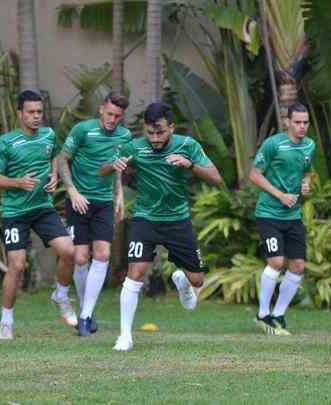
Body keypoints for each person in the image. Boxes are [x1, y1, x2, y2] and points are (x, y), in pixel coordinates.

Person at [99, 101, 222, 351]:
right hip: (146, 219)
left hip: (178, 221)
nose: (155, 138)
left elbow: (216, 177)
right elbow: (102, 170)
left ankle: (183, 281)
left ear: (172, 128)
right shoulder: (135, 146)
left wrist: (190, 165)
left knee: (198, 280)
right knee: (135, 273)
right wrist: (114, 165)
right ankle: (125, 336)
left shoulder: (188, 145)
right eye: (150, 132)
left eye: (161, 132)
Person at [0, 90, 75, 340]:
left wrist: (54, 176)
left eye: (39, 112)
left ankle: (60, 294)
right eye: (31, 112)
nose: (37, 116)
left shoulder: (48, 135)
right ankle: (6, 321)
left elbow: (54, 157)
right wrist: (17, 182)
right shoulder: (6, 142)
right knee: (17, 265)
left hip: (42, 208)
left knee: (69, 251)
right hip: (14, 213)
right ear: (20, 114)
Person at [57, 92, 132, 336]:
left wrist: (119, 193)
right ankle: (83, 309)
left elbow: (117, 165)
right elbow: (62, 160)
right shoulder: (82, 130)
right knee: (80, 258)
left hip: (103, 202)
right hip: (79, 201)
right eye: (109, 114)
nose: (112, 120)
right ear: (101, 109)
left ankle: (86, 316)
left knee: (102, 254)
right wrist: (72, 191)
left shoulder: (124, 135)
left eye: (117, 116)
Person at [249, 103, 315, 336]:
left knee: (298, 266)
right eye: (297, 122)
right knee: (276, 262)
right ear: (287, 122)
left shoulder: (309, 146)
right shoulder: (273, 145)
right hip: (269, 214)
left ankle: (278, 314)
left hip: (293, 215)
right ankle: (262, 313)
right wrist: (280, 195)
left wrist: (306, 183)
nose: (302, 127)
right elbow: (254, 175)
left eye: (305, 122)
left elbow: (307, 171)